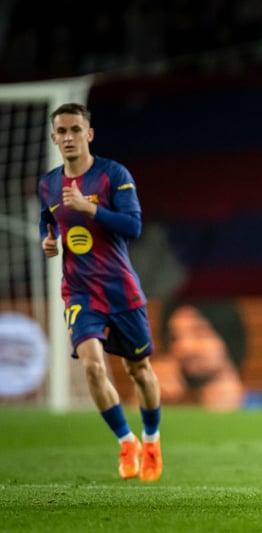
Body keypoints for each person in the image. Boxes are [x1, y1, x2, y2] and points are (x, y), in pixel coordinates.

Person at [38, 102, 163, 482]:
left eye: (76, 129)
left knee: (138, 369)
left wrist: (90, 209)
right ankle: (126, 442)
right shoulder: (48, 184)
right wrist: (48, 240)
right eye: (62, 131)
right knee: (92, 366)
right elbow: (48, 220)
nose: (69, 137)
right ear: (54, 137)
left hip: (121, 290)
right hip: (79, 292)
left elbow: (133, 227)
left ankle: (151, 440)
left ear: (89, 134)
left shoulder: (113, 175)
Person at [151, 300, 250, 411]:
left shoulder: (261, 410)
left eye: (199, 333)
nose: (184, 347)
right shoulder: (173, 411)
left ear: (227, 338)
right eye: (174, 338)